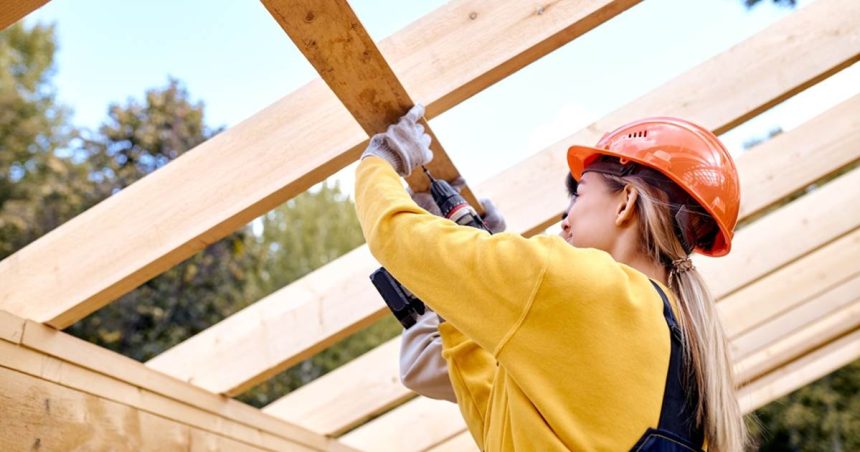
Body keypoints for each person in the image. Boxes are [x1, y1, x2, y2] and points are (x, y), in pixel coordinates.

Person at [355, 104, 748, 451]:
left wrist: (383, 160)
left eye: (578, 194)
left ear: (626, 202)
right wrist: (459, 310)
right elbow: (504, 423)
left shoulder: (576, 282)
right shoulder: (689, 344)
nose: (565, 218)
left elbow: (398, 239)